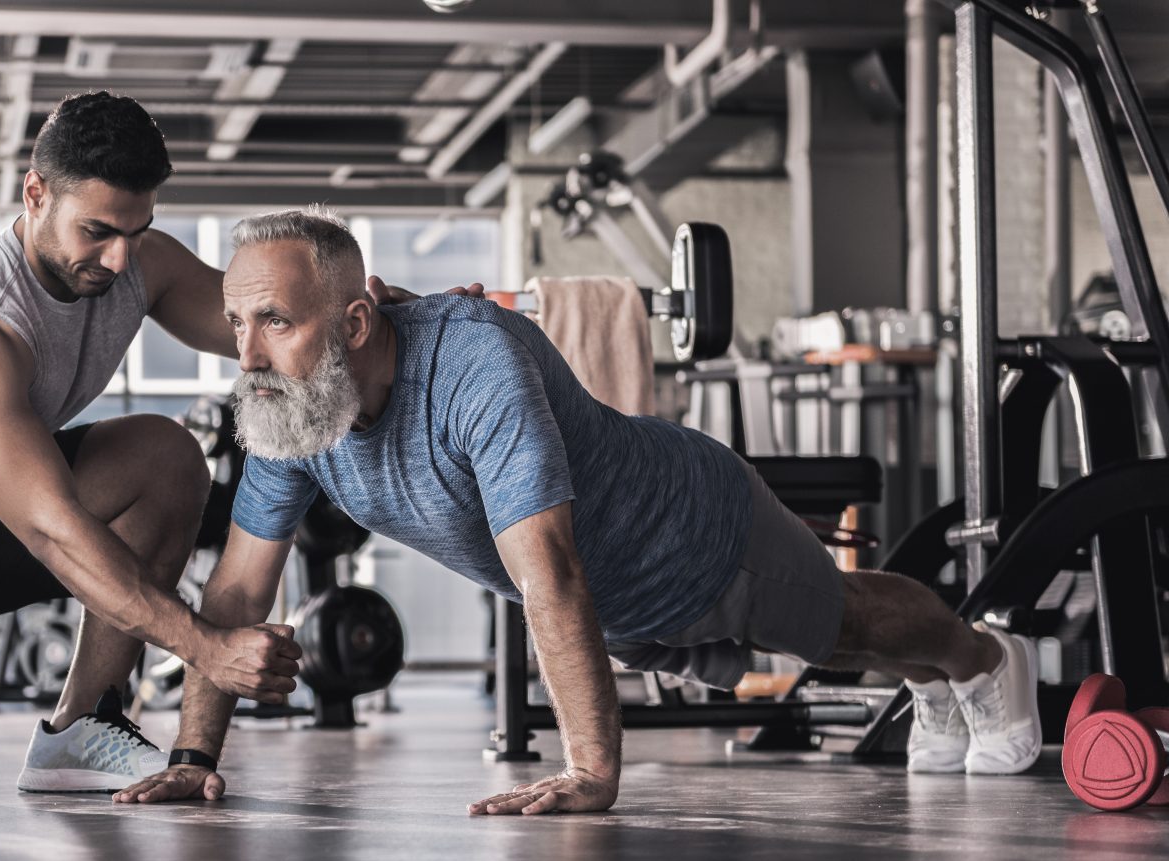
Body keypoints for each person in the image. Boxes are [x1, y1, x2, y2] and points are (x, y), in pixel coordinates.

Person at [111, 206, 1045, 817]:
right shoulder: (291, 417)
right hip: (624, 608)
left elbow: (546, 572)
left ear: (356, 321)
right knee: (822, 650)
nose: (248, 353)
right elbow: (235, 593)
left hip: (692, 532)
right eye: (237, 323)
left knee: (840, 631)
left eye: (274, 320)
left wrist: (593, 771)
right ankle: (934, 677)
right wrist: (194, 754)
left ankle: (982, 656)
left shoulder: (476, 363)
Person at [0, 94, 439, 802]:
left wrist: (401, 321)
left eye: (137, 231)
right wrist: (206, 647)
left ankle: (79, 729)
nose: (118, 258)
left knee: (164, 457)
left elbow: (279, 325)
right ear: (35, 194)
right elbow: (49, 528)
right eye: (97, 231)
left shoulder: (137, 263)